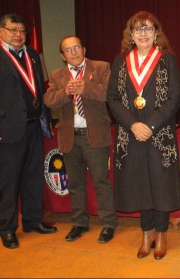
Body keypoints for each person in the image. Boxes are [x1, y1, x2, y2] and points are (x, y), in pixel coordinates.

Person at [106, 11, 180, 260]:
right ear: (130, 34)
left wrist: (149, 125)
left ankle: (161, 234)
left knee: (160, 185)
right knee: (140, 185)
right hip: (130, 136)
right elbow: (113, 99)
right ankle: (146, 233)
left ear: (156, 32)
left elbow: (173, 98)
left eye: (148, 28)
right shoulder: (120, 61)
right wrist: (132, 125)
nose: (143, 33)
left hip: (160, 135)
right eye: (137, 29)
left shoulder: (167, 59)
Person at [0, 13, 57, 248]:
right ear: (0, 31)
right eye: (12, 29)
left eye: (22, 30)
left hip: (33, 126)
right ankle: (6, 228)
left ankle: (33, 220)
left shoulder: (33, 54)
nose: (18, 35)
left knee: (33, 176)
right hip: (4, 130)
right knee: (8, 181)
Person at [44, 36, 118, 243]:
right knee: (75, 184)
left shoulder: (101, 67)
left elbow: (110, 93)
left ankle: (108, 224)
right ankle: (79, 223)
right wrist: (65, 92)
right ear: (62, 55)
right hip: (69, 136)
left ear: (83, 49)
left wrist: (85, 88)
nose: (73, 52)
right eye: (68, 50)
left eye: (77, 47)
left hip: (94, 135)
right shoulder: (57, 75)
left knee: (101, 182)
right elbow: (49, 100)